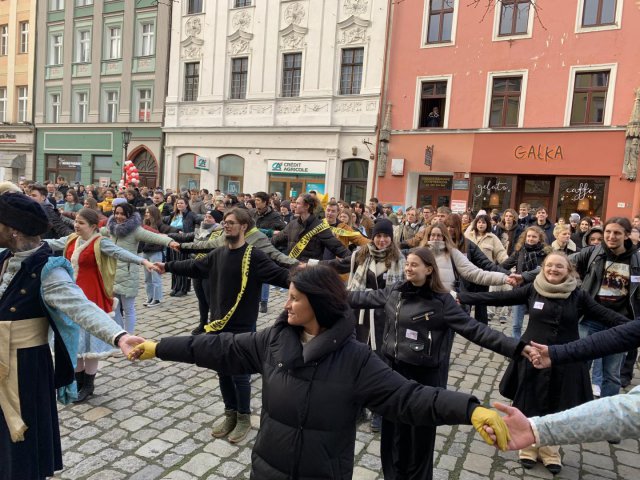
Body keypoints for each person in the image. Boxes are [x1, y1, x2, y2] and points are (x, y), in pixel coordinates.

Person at [129, 265, 512, 479]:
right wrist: (159, 347)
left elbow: (409, 397)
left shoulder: (357, 359)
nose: (287, 303)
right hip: (267, 471)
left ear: (320, 304)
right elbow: (217, 347)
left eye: (295, 297)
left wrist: (469, 409)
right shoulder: (273, 341)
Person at [347, 247, 528, 480]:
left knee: (419, 441)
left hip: (425, 378)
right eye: (407, 264)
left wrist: (516, 347)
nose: (408, 268)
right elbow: (362, 298)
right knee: (392, 438)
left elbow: (476, 330)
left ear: (429, 269)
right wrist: (329, 292)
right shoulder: (394, 291)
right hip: (392, 375)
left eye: (414, 265)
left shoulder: (442, 302)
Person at [0, 192, 144, 480]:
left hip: (24, 367)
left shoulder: (47, 270)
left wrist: (118, 336)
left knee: (19, 437)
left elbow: (81, 307)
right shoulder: (6, 256)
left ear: (12, 229)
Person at [458, 253, 630, 473]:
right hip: (532, 356)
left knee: (558, 405)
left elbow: (607, 316)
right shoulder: (533, 289)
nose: (553, 270)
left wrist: (634, 330)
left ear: (569, 270)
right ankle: (528, 447)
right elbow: (496, 299)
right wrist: (462, 298)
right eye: (549, 266)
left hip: (565, 359)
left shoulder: (579, 295)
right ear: (542, 268)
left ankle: (550, 450)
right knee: (529, 401)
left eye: (559, 266)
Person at [152, 207, 293, 444]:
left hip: (242, 327)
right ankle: (230, 414)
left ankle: (244, 418)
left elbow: (281, 276)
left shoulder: (254, 256)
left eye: (231, 222)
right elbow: (195, 267)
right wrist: (167, 267)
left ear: (244, 227)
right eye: (225, 222)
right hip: (217, 324)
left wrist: (306, 280)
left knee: (239, 375)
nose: (226, 226)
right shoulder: (219, 253)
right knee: (222, 372)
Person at [43, 208, 156, 402]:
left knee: (90, 344)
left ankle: (88, 384)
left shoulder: (100, 242)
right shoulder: (71, 239)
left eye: (81, 223)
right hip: (72, 297)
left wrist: (143, 261)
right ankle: (77, 380)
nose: (76, 225)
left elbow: (120, 253)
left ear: (94, 226)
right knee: (75, 342)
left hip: (93, 297)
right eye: (76, 221)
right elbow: (51, 243)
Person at [569, 217, 640, 397]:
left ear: (626, 235)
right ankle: (575, 406)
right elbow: (560, 262)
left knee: (612, 375)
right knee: (580, 367)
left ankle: (605, 413)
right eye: (608, 232)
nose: (611, 236)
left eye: (617, 233)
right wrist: (524, 277)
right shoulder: (595, 253)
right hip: (590, 320)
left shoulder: (637, 259)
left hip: (620, 324)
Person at [102, 201, 178, 333]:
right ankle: (119, 336)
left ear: (129, 215)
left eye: (122, 214)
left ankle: (129, 336)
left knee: (128, 309)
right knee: (115, 308)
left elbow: (153, 237)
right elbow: (96, 230)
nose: (119, 216)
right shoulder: (111, 229)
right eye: (117, 213)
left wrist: (170, 241)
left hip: (128, 273)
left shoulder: (135, 230)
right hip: (111, 274)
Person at [501, 225, 551, 339]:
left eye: (534, 237)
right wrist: (493, 270)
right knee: (516, 325)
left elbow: (542, 270)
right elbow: (505, 265)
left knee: (535, 325)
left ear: (540, 238)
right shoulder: (520, 251)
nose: (530, 239)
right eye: (529, 236)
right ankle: (516, 349)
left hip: (538, 292)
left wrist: (522, 276)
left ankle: (532, 349)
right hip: (520, 291)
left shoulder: (545, 253)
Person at [272, 194, 351, 263]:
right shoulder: (292, 224)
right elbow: (275, 240)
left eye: (298, 203)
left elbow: (338, 248)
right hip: (293, 272)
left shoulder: (320, 227)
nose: (294, 205)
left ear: (307, 206)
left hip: (310, 275)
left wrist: (354, 259)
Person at [464, 214, 508, 325]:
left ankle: (481, 326)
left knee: (481, 303)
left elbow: (501, 253)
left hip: (484, 275)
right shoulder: (468, 235)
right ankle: (464, 325)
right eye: (479, 222)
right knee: (466, 301)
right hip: (468, 273)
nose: (481, 224)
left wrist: (508, 269)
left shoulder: (492, 238)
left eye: (483, 222)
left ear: (487, 224)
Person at [140, 205, 177, 308]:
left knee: (156, 277)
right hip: (146, 252)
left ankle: (157, 298)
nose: (146, 214)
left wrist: (177, 232)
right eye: (146, 212)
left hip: (155, 252)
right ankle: (150, 297)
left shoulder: (159, 224)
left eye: (149, 212)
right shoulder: (144, 224)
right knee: (147, 278)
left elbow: (171, 229)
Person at [164, 198, 197, 297]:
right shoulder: (173, 215)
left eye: (182, 203)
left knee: (183, 266)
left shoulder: (191, 215)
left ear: (186, 204)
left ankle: (183, 288)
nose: (179, 205)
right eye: (178, 203)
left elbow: (201, 218)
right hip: (172, 243)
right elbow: (162, 223)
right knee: (174, 264)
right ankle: (175, 287)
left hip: (184, 244)